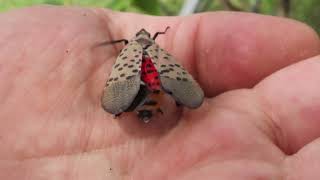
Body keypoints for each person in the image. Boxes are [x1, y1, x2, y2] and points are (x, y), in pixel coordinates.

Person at [0, 5, 320, 180]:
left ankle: (137, 106)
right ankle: (143, 105)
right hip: (154, 89)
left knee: (135, 87)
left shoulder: (129, 49)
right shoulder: (153, 47)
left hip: (142, 87)